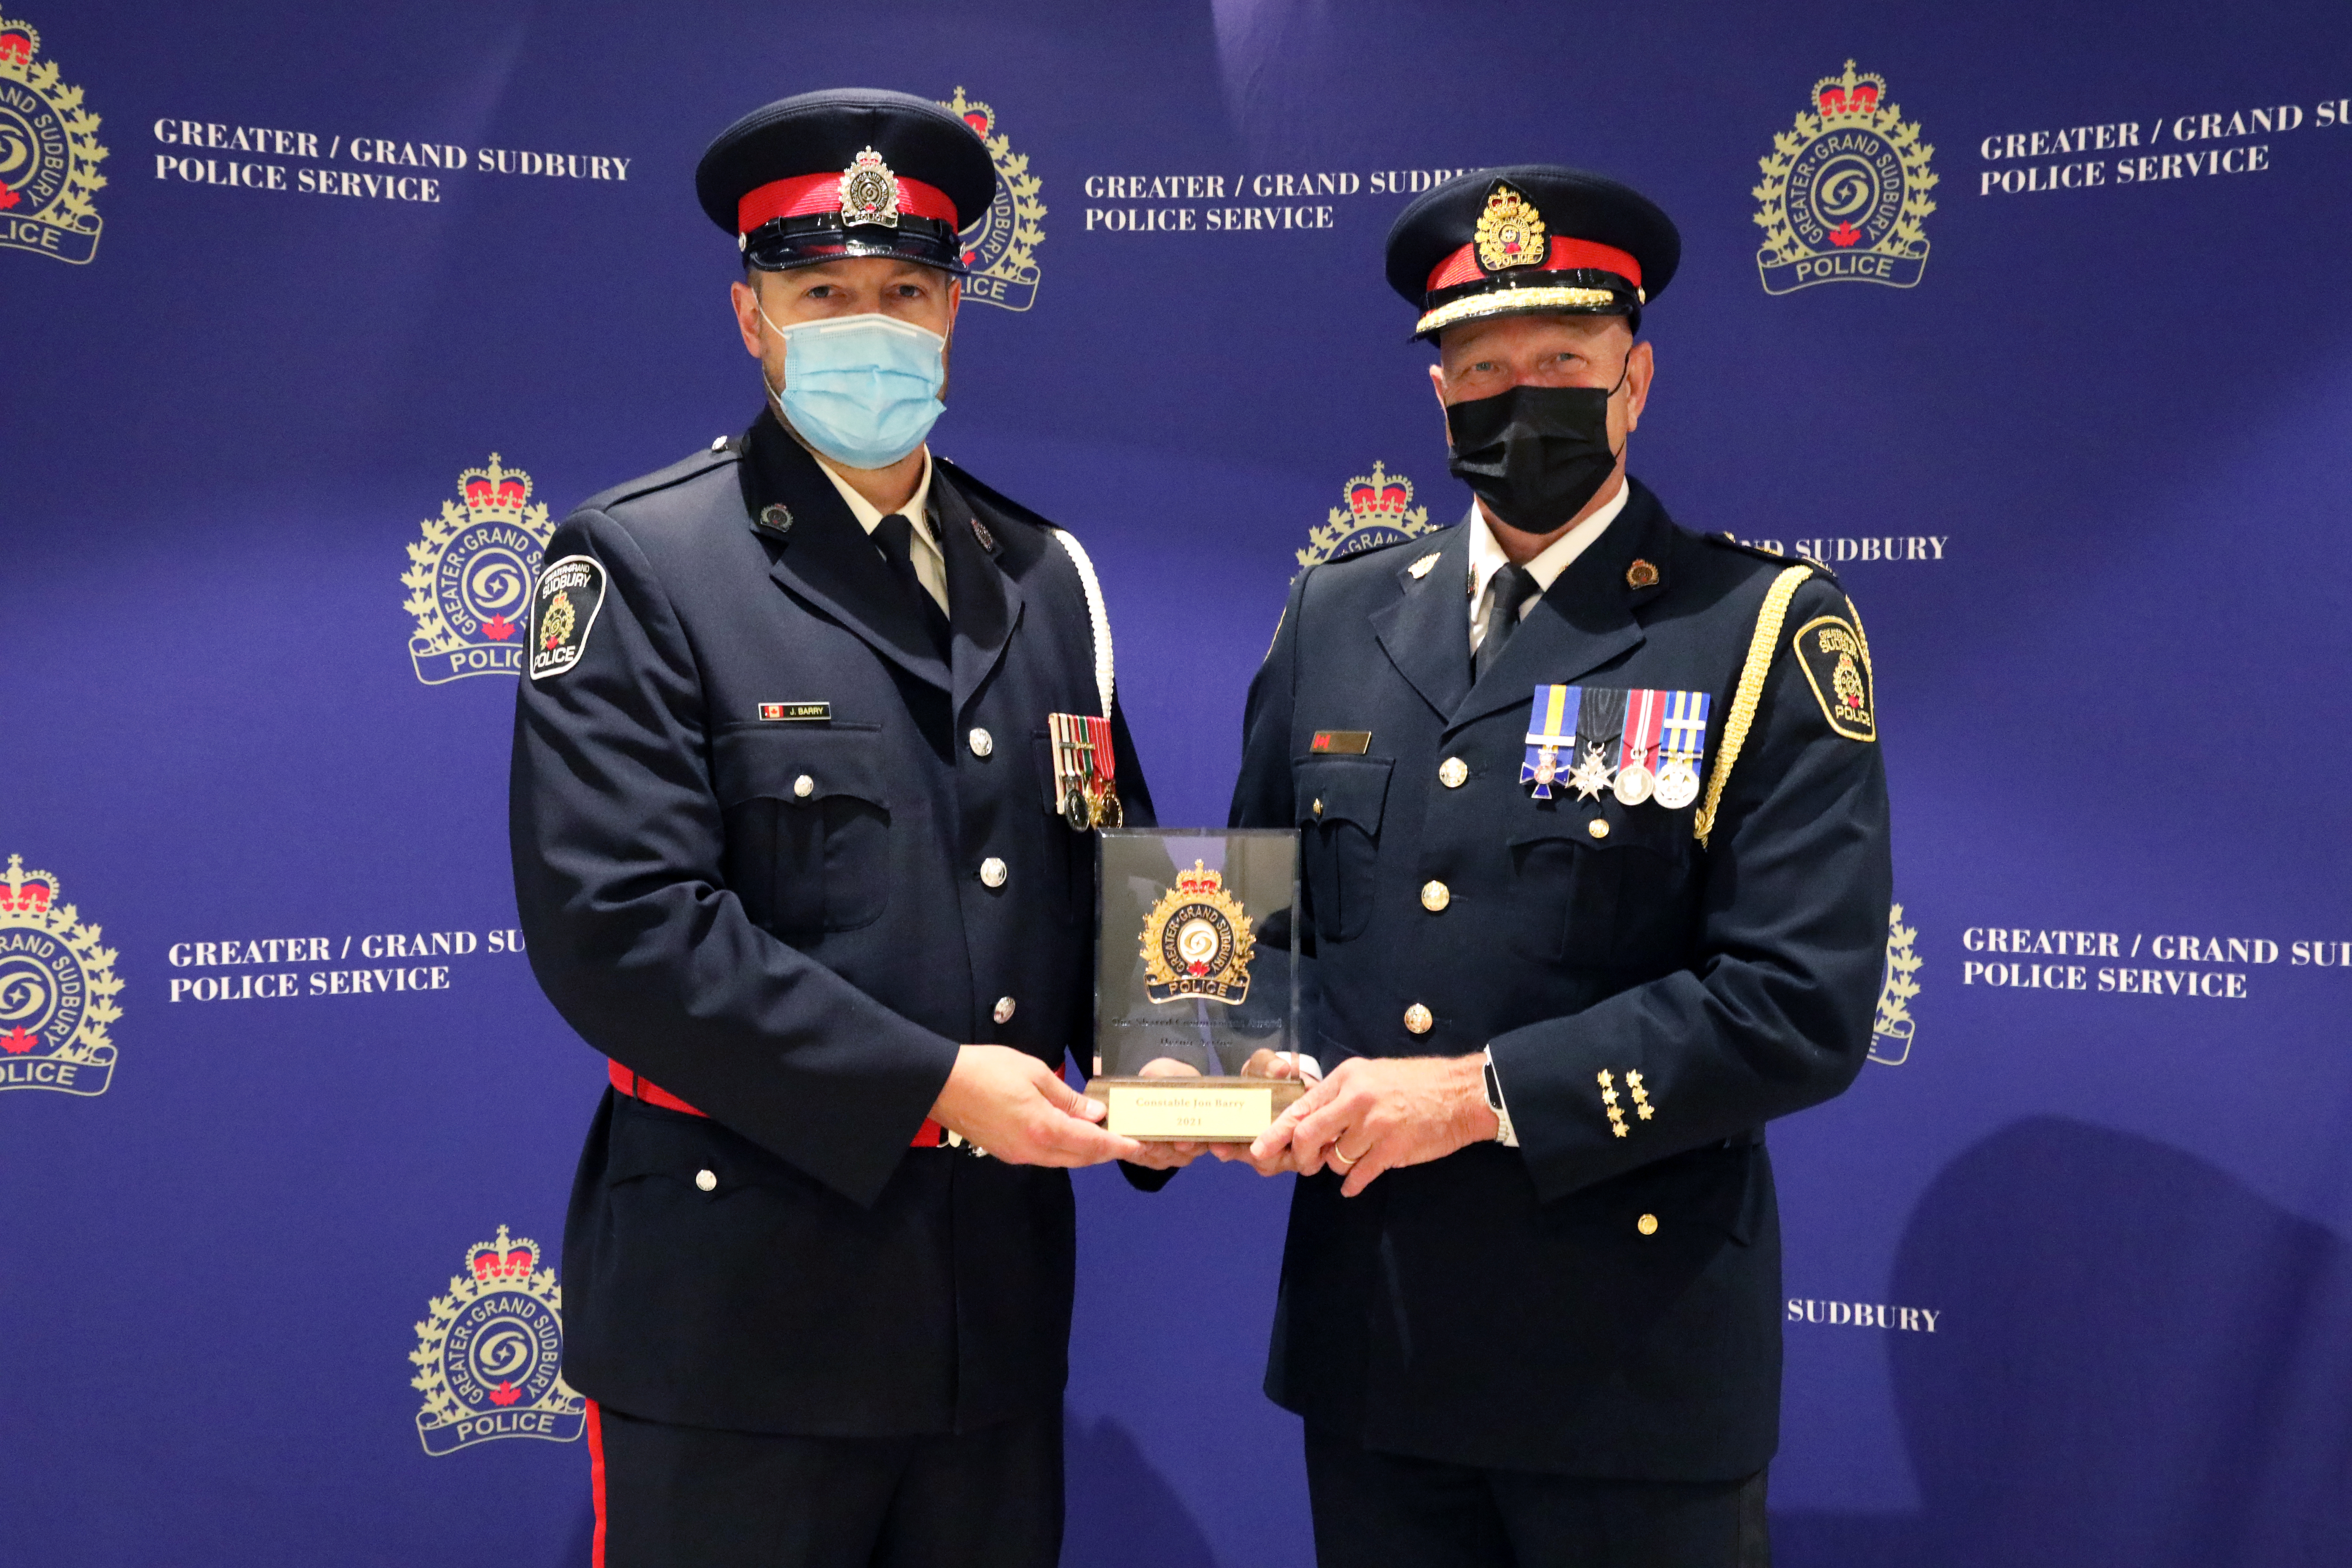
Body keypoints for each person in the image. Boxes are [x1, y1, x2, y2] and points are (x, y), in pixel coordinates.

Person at [508, 87, 1177, 1568]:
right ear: (752, 315)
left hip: (989, 1322)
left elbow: (1118, 872)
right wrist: (939, 1083)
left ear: (954, 313)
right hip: (743, 1326)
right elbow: (622, 934)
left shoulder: (1042, 574)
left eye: (905, 292)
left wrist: (1190, 1071)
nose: (868, 325)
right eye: (823, 292)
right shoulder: (641, 563)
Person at [1222, 166, 1894, 1567]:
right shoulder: (1335, 615)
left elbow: (1799, 1002)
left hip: (1629, 1378)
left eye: (1562, 359)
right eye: (1481, 364)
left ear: (1633, 379)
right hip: (1377, 1351)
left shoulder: (1759, 627)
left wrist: (1476, 1095)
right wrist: (1250, 1057)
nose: (1519, 392)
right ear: (1439, 390)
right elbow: (1249, 923)